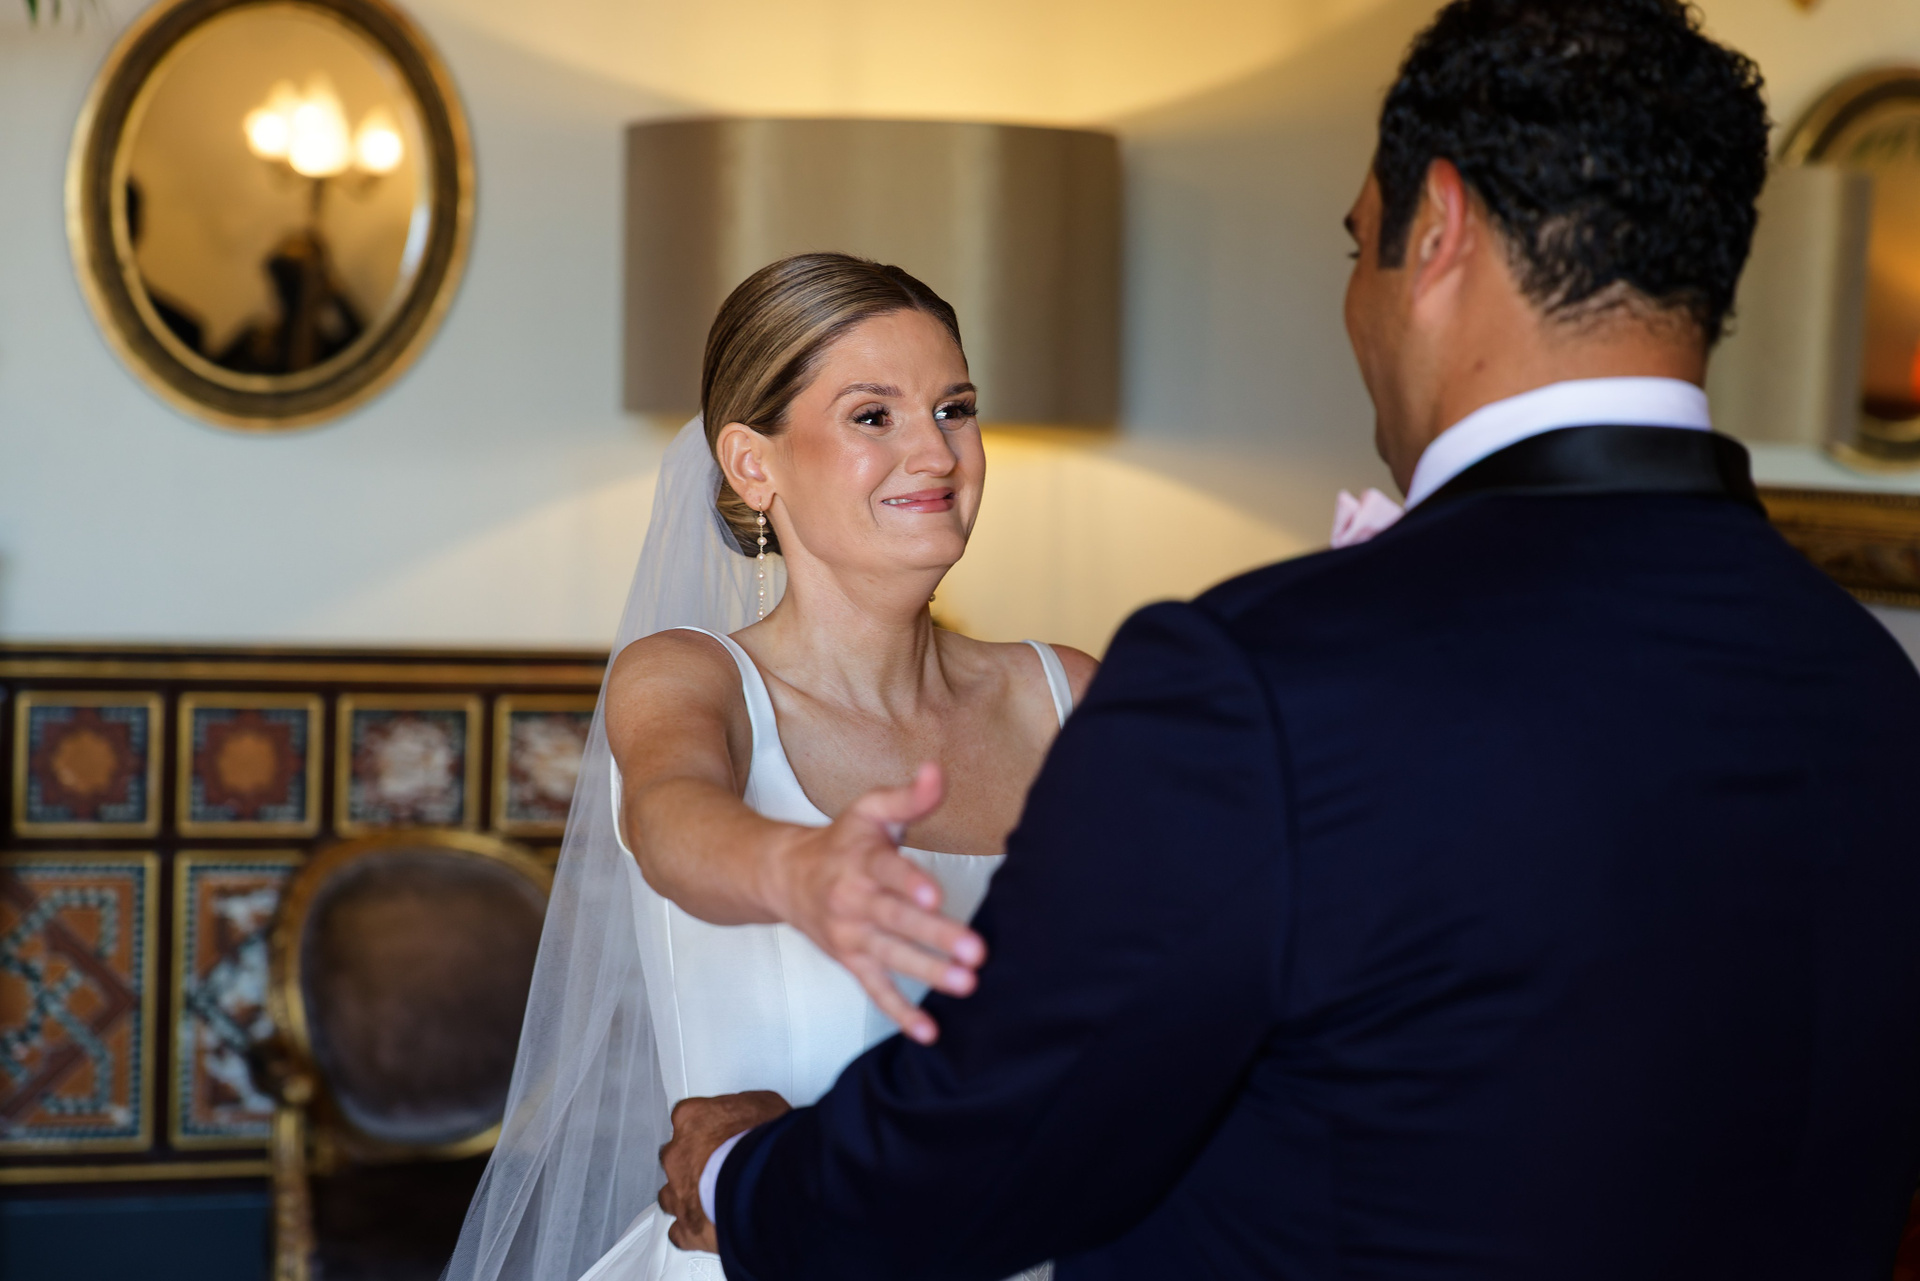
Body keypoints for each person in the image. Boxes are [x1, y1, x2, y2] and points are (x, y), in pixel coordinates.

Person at [660, 2, 1920, 1278]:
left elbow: (1007, 1135)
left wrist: (737, 1174)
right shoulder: (1871, 687)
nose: (1357, 304)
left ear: (1439, 229)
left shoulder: (1262, 682)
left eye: (1360, 246)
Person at [442, 252, 1094, 1281]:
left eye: (955, 409)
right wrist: (797, 870)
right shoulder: (688, 676)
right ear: (753, 464)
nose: (935, 452)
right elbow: (671, 820)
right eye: (873, 415)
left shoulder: (1068, 696)